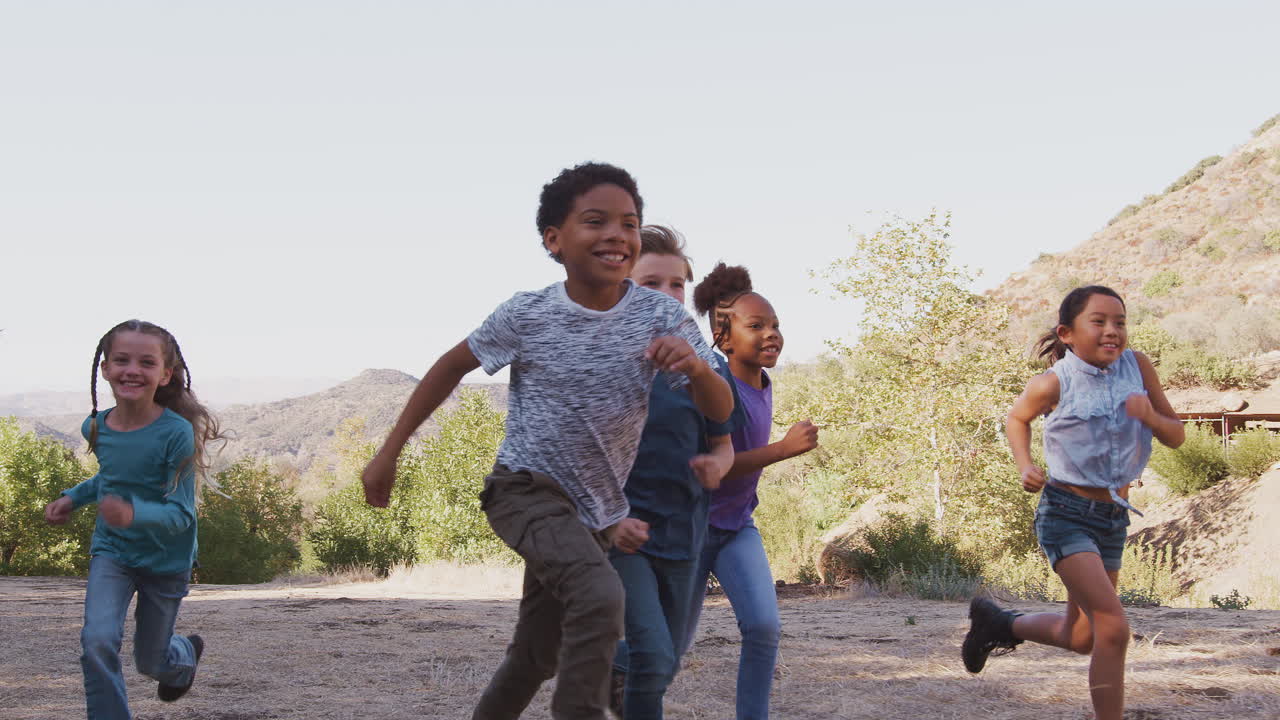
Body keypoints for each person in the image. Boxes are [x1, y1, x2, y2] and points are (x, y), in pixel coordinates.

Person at [360, 162, 734, 720]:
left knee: (536, 654)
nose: (617, 234)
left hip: (595, 511)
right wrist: (388, 454)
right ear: (553, 240)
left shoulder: (660, 317)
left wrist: (700, 373)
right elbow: (448, 367)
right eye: (595, 221)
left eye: (629, 223)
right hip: (525, 490)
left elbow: (719, 410)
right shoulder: (528, 313)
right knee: (600, 598)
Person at [964, 285, 1185, 720]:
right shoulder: (1053, 382)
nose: (1112, 331)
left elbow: (1175, 435)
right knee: (1114, 627)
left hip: (1112, 519)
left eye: (1120, 322)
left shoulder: (1138, 366)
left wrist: (1150, 416)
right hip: (1065, 515)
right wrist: (1025, 464)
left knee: (1083, 635)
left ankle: (998, 623)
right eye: (1098, 322)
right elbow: (1017, 417)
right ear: (1067, 333)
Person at [44, 319, 224, 720]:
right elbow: (109, 478)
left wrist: (132, 514)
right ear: (105, 368)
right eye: (122, 360)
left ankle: (182, 655)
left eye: (146, 362)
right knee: (97, 641)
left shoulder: (176, 433)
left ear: (165, 374)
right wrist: (72, 499)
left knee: (150, 662)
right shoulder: (96, 426)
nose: (132, 370)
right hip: (113, 553)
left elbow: (181, 514)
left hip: (166, 561)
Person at [608, 226, 742, 719]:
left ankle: (613, 675)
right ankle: (613, 671)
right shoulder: (603, 358)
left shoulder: (706, 364)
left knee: (661, 667)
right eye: (650, 284)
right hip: (622, 532)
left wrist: (716, 465)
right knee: (654, 656)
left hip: (685, 532)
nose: (667, 296)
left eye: (677, 284)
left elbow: (724, 444)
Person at [681, 263, 819, 720]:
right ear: (723, 337)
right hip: (690, 530)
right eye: (756, 326)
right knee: (668, 645)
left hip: (737, 527)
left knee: (763, 626)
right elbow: (716, 468)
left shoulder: (761, 380)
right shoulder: (714, 384)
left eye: (775, 325)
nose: (771, 334)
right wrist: (782, 449)